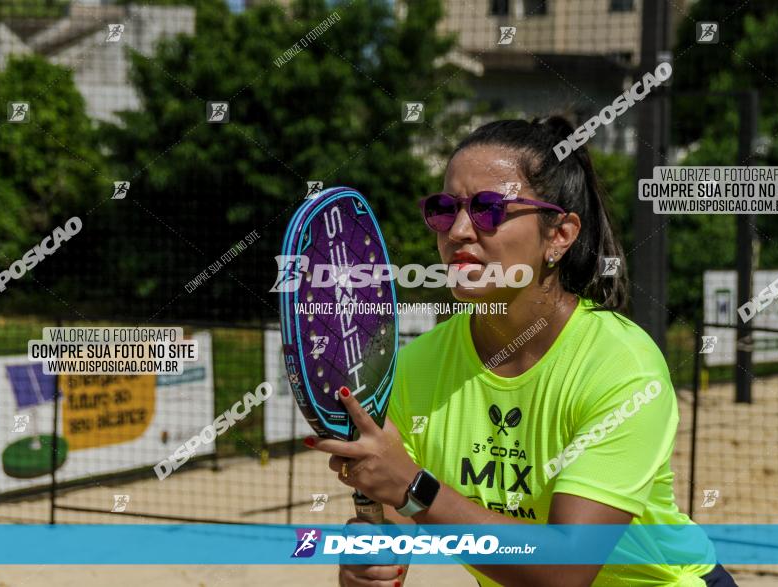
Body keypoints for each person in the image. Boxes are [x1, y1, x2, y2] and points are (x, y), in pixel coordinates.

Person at [305, 114, 737, 586]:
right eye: (445, 209)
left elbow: (565, 570)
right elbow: (405, 525)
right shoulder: (413, 368)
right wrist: (372, 563)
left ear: (559, 235)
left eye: (490, 208)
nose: (459, 231)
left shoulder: (619, 364)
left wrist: (413, 488)